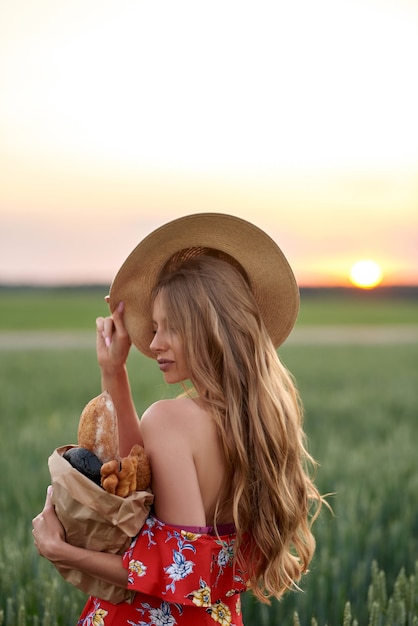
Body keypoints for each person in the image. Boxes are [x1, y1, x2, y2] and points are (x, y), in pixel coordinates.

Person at [33, 213, 324, 625]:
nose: (153, 344)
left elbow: (182, 572)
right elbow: (144, 472)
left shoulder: (170, 419)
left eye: (170, 328)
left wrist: (60, 550)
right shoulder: (257, 420)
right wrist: (114, 373)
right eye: (153, 328)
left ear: (209, 329)